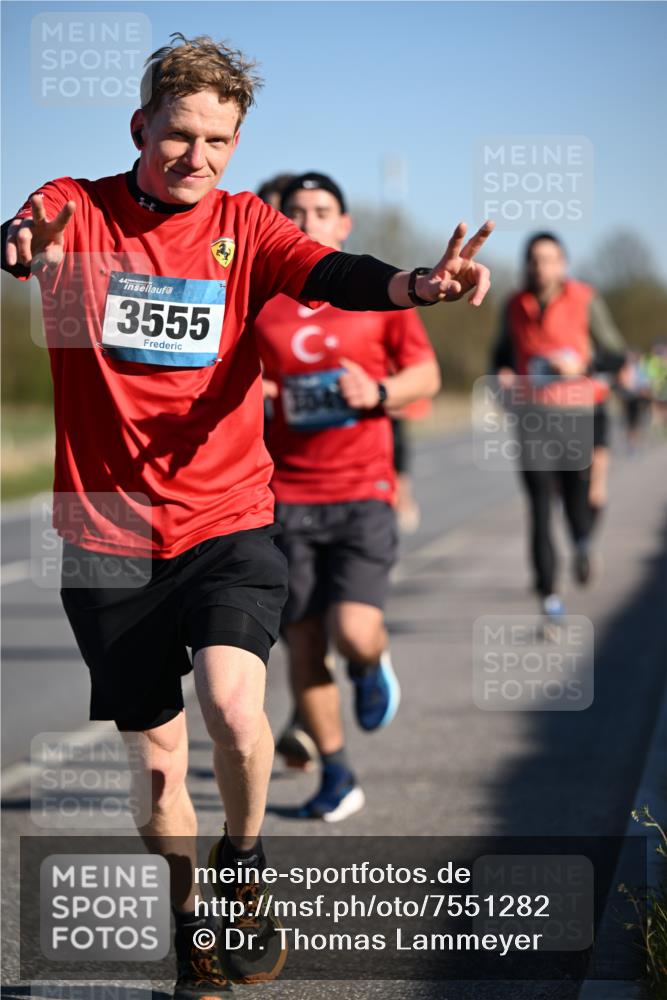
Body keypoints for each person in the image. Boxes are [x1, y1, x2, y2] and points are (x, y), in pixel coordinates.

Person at [3, 33, 493, 998]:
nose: (197, 157)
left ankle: (244, 858)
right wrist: (23, 242)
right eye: (179, 134)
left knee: (233, 708)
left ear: (236, 144)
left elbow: (331, 272)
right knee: (157, 761)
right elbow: (29, 229)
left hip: (226, 516)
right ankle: (192, 922)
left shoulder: (247, 224)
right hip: (105, 534)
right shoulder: (78, 207)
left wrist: (416, 286)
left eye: (218, 140)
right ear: (139, 126)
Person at [253, 172, 441, 820]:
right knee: (303, 643)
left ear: (343, 223)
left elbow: (425, 375)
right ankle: (336, 774)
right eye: (295, 211)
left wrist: (379, 392)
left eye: (321, 210)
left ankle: (368, 664)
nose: (307, 221)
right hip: (285, 495)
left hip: (363, 489)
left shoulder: (375, 293)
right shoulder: (260, 299)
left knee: (353, 630)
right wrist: (261, 391)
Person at [491, 232, 625, 620]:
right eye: (534, 260)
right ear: (526, 264)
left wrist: (581, 366)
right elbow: (500, 353)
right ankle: (549, 596)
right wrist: (501, 373)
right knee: (538, 507)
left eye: (549, 260)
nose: (540, 267)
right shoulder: (513, 304)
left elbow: (616, 355)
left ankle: (582, 544)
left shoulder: (585, 299)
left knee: (577, 506)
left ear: (562, 264)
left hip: (578, 415)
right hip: (532, 416)